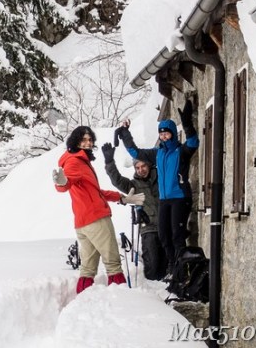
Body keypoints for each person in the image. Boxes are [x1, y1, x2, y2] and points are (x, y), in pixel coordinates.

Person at [53, 126, 144, 294]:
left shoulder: (79, 161)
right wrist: (61, 183)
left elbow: (96, 192)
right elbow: (66, 183)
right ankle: (122, 299)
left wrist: (122, 198)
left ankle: (83, 300)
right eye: (83, 140)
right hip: (96, 220)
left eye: (90, 140)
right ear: (75, 141)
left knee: (87, 268)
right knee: (113, 263)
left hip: (83, 223)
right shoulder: (75, 162)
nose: (88, 143)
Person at [117, 100, 199, 275]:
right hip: (164, 200)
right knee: (163, 235)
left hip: (180, 198)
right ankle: (173, 268)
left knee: (177, 235)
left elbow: (193, 142)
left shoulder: (181, 151)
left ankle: (181, 272)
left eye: (166, 133)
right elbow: (136, 153)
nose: (163, 137)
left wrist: (187, 125)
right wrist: (125, 135)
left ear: (173, 134)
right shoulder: (158, 153)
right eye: (161, 134)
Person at [101, 142, 167, 281]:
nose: (141, 170)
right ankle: (151, 289)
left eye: (143, 166)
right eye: (137, 167)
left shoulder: (161, 178)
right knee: (153, 264)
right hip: (148, 229)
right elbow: (117, 180)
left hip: (167, 226)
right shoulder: (133, 185)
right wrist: (109, 162)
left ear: (149, 165)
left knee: (168, 263)